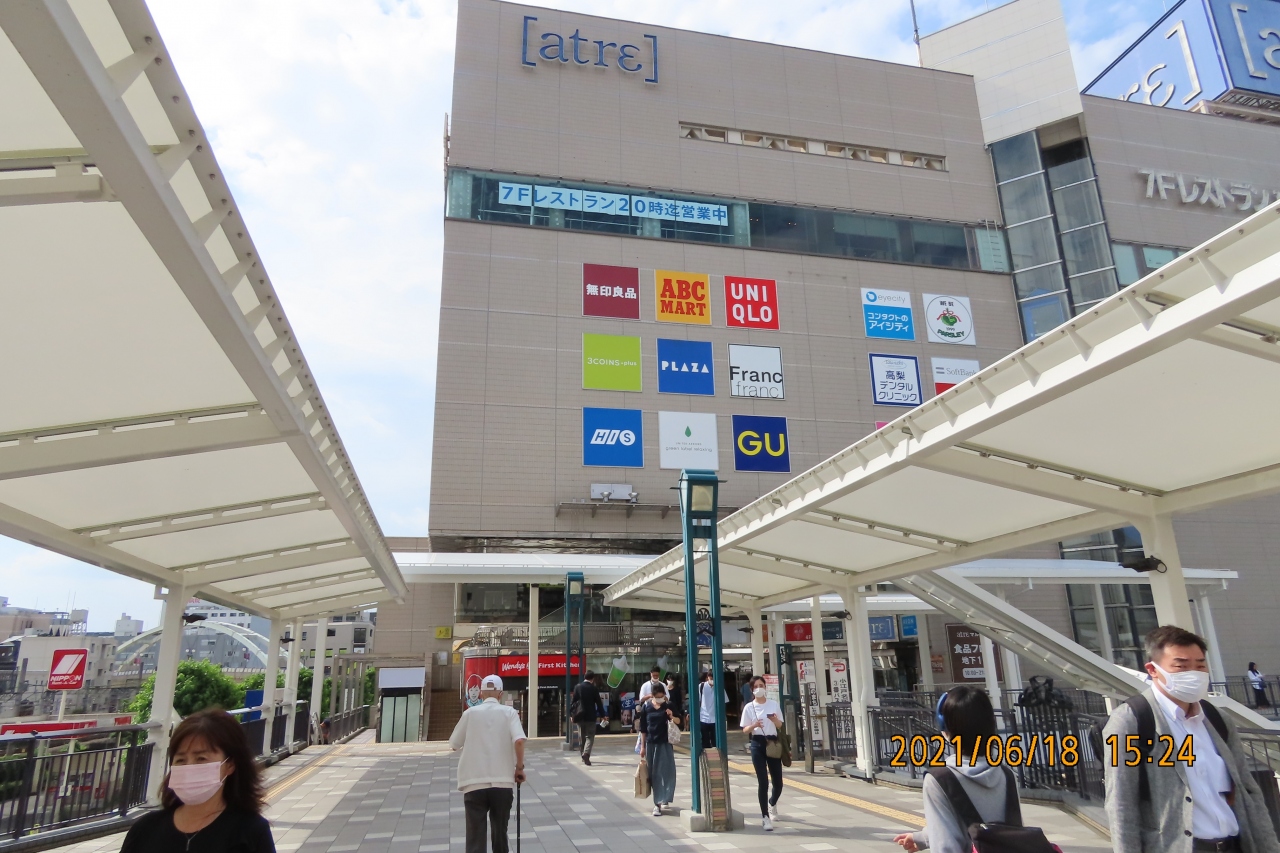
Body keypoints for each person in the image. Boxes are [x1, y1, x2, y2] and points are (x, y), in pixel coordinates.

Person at [1104, 626, 1280, 853]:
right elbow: (1120, 802)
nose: (1194, 674)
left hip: (1234, 844)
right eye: (1181, 666)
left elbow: (1248, 790)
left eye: (1200, 665)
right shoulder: (1131, 721)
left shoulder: (1217, 719)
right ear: (1153, 669)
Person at [121, 709, 275, 853]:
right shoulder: (145, 829)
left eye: (201, 758)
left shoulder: (250, 831)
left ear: (229, 765)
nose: (189, 768)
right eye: (181, 760)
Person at [893, 685, 1017, 853]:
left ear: (945, 728)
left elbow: (946, 847)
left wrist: (931, 837)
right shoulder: (1006, 774)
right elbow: (996, 832)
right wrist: (923, 838)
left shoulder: (939, 780)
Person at [449, 675, 527, 853]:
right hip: (502, 782)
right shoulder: (509, 713)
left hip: (473, 782)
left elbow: (453, 744)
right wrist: (519, 768)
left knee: (475, 836)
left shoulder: (469, 714)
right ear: (500, 694)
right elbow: (520, 741)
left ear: (482, 693)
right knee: (500, 833)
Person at [739, 675, 784, 832]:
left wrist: (774, 720)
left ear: (765, 687)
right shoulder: (749, 707)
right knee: (763, 782)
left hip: (772, 743)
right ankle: (765, 817)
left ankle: (772, 803)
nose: (759, 688)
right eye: (756, 686)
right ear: (752, 689)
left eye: (761, 685)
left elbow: (780, 725)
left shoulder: (773, 704)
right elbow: (744, 729)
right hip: (757, 744)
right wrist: (754, 725)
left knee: (778, 782)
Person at [636, 681, 677, 817]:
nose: (660, 698)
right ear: (652, 695)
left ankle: (665, 797)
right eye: (658, 696)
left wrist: (671, 716)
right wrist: (642, 747)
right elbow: (643, 729)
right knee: (654, 774)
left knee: (667, 772)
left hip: (665, 743)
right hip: (651, 744)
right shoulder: (646, 707)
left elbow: (679, 721)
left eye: (662, 696)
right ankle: (657, 803)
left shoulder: (668, 705)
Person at [571, 669, 605, 765]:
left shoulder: (578, 687)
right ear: (592, 679)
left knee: (581, 737)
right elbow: (599, 703)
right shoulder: (593, 688)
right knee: (590, 736)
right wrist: (603, 715)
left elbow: (573, 703)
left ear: (584, 677)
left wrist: (571, 715)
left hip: (579, 716)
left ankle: (583, 755)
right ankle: (586, 753)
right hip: (591, 716)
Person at [698, 671, 728, 751]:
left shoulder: (720, 687)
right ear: (707, 677)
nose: (712, 680)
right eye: (711, 678)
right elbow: (697, 700)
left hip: (715, 718)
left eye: (713, 678)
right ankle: (706, 756)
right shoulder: (701, 686)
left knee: (715, 740)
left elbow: (724, 702)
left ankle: (715, 755)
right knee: (705, 740)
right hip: (703, 717)